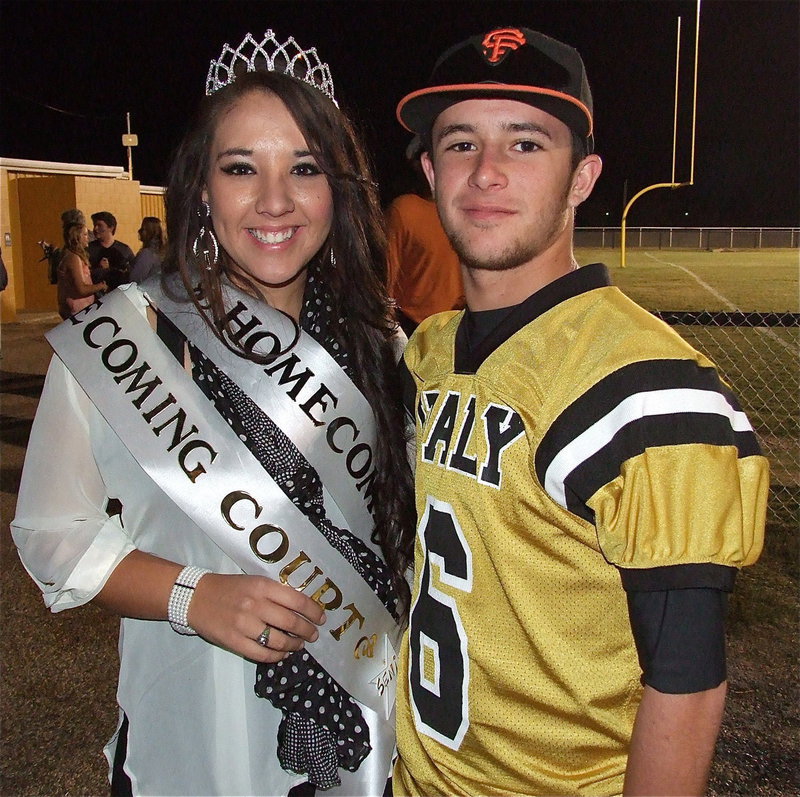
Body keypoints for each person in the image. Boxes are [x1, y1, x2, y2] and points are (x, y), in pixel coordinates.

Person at [12, 29, 413, 797]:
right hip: (192, 739)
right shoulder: (127, 339)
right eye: (241, 169)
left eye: (304, 168)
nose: (274, 200)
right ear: (202, 187)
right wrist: (191, 595)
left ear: (338, 188)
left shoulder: (384, 350)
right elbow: (52, 534)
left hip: (362, 748)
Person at [392, 25, 768, 796]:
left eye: (526, 145)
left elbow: (687, 684)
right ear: (431, 172)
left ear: (582, 177)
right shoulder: (426, 352)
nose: (487, 172)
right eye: (461, 145)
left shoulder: (644, 382)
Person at [386, 140, 463, 337]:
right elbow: (383, 283)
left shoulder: (470, 212)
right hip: (412, 329)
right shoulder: (406, 210)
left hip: (460, 328)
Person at [56, 221, 107, 319]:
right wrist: (101, 286)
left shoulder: (75, 256)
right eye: (85, 234)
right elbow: (81, 289)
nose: (88, 238)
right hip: (77, 312)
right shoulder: (73, 258)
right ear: (76, 237)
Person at [88, 211, 134, 289]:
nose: (95, 229)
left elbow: (132, 274)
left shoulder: (124, 250)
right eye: (94, 225)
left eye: (99, 225)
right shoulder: (89, 249)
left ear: (111, 227)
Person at [128, 216, 166, 283]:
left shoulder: (147, 254)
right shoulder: (164, 252)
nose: (139, 231)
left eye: (143, 229)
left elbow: (135, 280)